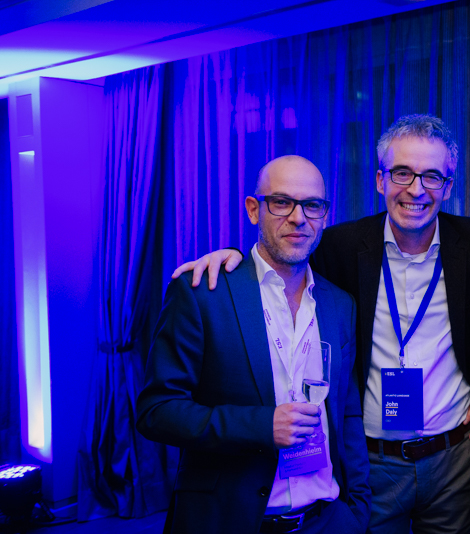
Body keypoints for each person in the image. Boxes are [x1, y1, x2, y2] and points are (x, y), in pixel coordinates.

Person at [174, 115, 470, 533]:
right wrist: (231, 256)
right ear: (380, 180)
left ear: (448, 186)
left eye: (431, 176)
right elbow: (281, 252)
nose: (416, 189)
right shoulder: (339, 245)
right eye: (402, 173)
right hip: (372, 462)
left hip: (454, 459)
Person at [137, 156, 370, 534]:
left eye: (312, 205)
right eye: (281, 202)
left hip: (326, 520)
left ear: (324, 216)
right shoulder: (203, 293)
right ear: (253, 209)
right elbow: (156, 411)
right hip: (231, 522)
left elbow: (347, 415)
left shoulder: (340, 305)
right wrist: (261, 425)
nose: (298, 218)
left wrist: (356, 511)